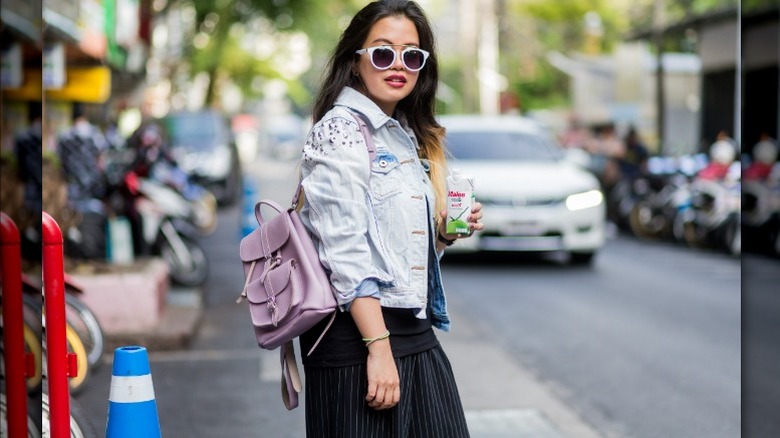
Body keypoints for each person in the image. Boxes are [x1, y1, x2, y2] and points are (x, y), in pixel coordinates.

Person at [297, 1, 483, 436]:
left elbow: (395, 251)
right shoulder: (340, 129)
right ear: (355, 60)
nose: (398, 64)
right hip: (357, 343)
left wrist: (443, 233)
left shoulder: (403, 136)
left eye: (412, 55)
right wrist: (377, 349)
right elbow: (344, 250)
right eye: (383, 52)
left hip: (414, 333)